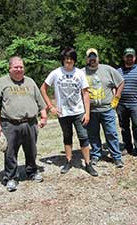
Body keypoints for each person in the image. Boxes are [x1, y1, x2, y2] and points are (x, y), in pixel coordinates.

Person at [0, 56, 47, 192]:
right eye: (16, 67)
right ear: (10, 68)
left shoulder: (30, 82)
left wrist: (43, 115)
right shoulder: (1, 83)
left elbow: (40, 101)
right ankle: (10, 177)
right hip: (10, 124)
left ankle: (32, 171)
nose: (19, 69)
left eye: (21, 67)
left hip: (31, 123)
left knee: (31, 150)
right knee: (10, 152)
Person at [40, 47, 98, 176]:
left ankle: (88, 164)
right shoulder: (56, 73)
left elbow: (85, 94)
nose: (68, 61)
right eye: (66, 59)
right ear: (63, 60)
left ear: (74, 60)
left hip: (78, 112)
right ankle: (68, 161)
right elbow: (43, 88)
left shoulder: (79, 73)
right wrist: (51, 106)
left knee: (83, 137)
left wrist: (87, 113)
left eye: (71, 59)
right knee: (67, 137)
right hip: (63, 112)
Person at [82, 48, 125, 168]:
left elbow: (121, 82)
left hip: (107, 109)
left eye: (94, 57)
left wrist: (117, 97)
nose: (92, 59)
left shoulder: (108, 69)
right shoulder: (81, 72)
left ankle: (116, 157)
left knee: (111, 133)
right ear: (87, 59)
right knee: (93, 134)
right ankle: (96, 154)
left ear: (98, 58)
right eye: (90, 57)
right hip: (91, 110)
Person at [116, 48, 137, 161]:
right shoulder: (118, 71)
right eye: (127, 56)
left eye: (131, 56)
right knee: (124, 127)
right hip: (121, 104)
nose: (129, 58)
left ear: (135, 57)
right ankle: (127, 147)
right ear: (124, 57)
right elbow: (113, 86)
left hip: (135, 104)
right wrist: (114, 100)